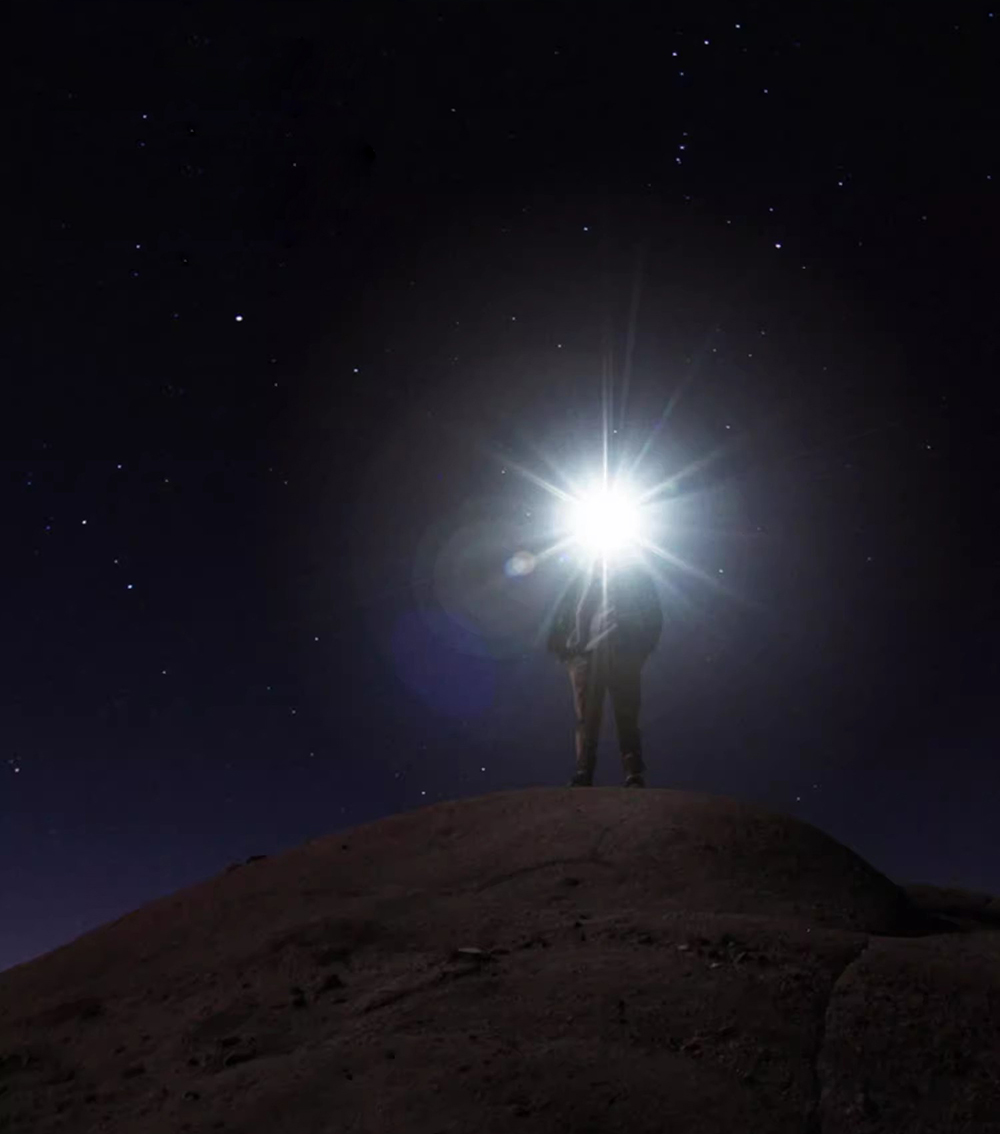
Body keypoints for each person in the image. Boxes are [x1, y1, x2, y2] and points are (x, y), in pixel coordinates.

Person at [546, 558, 662, 787]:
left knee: (624, 715)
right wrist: (570, 651)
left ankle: (631, 773)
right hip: (588, 655)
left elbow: (654, 616)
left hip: (622, 649)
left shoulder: (638, 579)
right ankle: (585, 771)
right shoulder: (581, 578)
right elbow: (565, 612)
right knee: (588, 717)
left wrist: (640, 650)